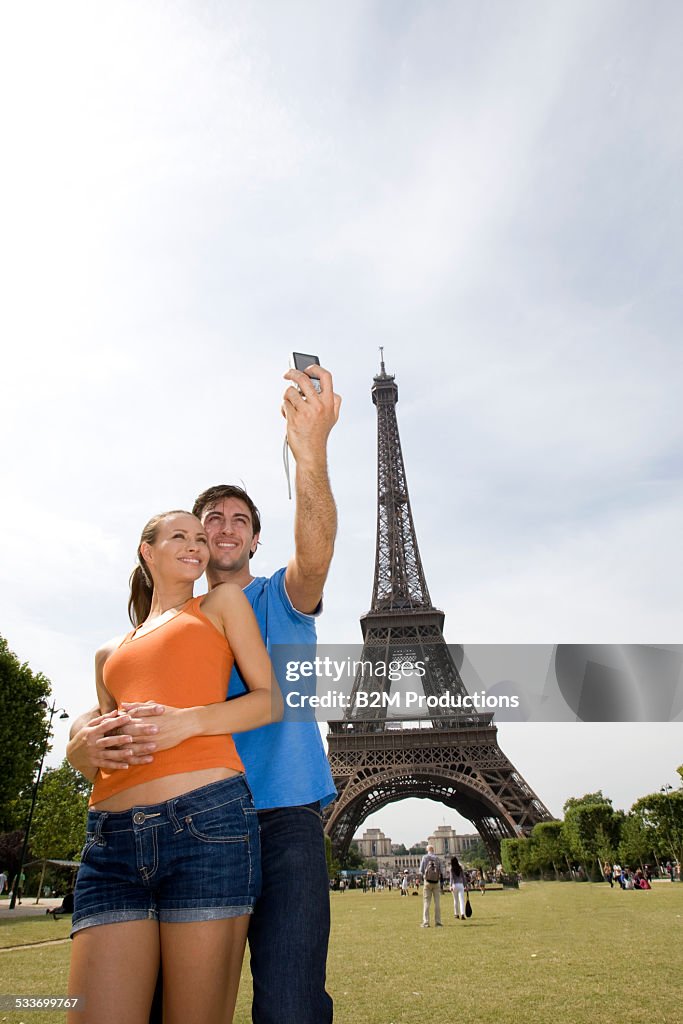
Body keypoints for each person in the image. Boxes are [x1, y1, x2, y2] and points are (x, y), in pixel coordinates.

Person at [67, 364, 341, 1024]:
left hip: (279, 815)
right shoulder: (169, 626)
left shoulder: (278, 595)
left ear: (253, 538)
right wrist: (80, 734)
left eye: (236, 520)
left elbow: (317, 548)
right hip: (169, 818)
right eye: (203, 520)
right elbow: (121, 690)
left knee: (289, 1005)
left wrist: (310, 451)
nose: (218, 529)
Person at [66, 510, 281, 1024]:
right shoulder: (106, 654)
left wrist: (187, 723)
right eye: (180, 536)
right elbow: (101, 734)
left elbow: (268, 701)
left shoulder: (221, 603)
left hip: (205, 827)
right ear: (148, 552)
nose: (196, 545)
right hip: (109, 841)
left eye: (201, 539)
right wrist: (78, 752)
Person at [419, 845, 442, 927]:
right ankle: (438, 922)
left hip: (427, 882)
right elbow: (441, 871)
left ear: (427, 850)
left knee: (426, 902)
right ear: (433, 850)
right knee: (437, 903)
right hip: (436, 882)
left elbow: (421, 870)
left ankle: (426, 922)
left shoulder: (425, 858)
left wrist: (425, 876)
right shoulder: (437, 858)